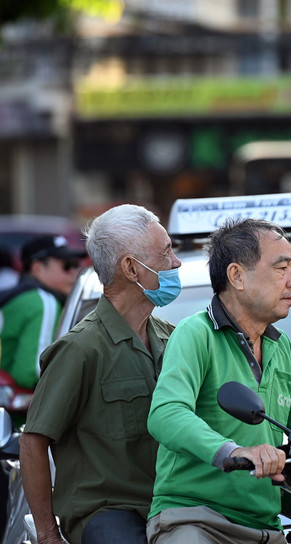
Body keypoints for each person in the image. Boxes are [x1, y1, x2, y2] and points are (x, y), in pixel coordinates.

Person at [146, 218, 291, 544]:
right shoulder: (195, 334)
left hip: (267, 527)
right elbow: (166, 413)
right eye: (282, 269)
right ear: (237, 276)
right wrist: (236, 450)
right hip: (194, 521)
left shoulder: (283, 350)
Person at [19, 205, 181, 544]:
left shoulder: (173, 338)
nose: (176, 262)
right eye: (166, 252)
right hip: (109, 514)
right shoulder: (81, 349)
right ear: (131, 268)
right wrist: (49, 536)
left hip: (173, 506)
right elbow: (33, 442)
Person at [0, 235, 86, 390]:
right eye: (67, 265)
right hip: (21, 412)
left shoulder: (17, 297)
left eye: (76, 266)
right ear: (37, 268)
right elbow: (34, 372)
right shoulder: (44, 302)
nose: (74, 273)